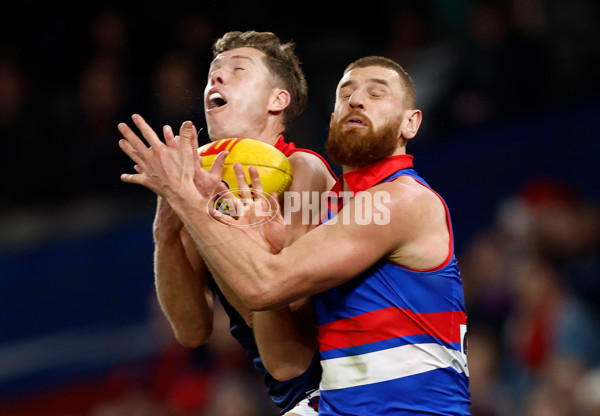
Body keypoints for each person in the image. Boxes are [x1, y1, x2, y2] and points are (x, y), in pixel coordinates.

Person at [119, 55, 471, 415]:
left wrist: (188, 198)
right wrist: (254, 240)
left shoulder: (401, 198)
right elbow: (281, 355)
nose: (356, 99)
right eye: (345, 93)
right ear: (332, 120)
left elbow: (264, 285)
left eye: (376, 93)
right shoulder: (330, 212)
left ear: (410, 123)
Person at [119, 31, 336, 415]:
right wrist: (166, 230)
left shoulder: (305, 168)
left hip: (342, 389)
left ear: (277, 100)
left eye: (238, 70)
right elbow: (191, 331)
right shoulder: (198, 191)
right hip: (295, 398)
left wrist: (203, 215)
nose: (216, 79)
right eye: (212, 73)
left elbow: (290, 345)